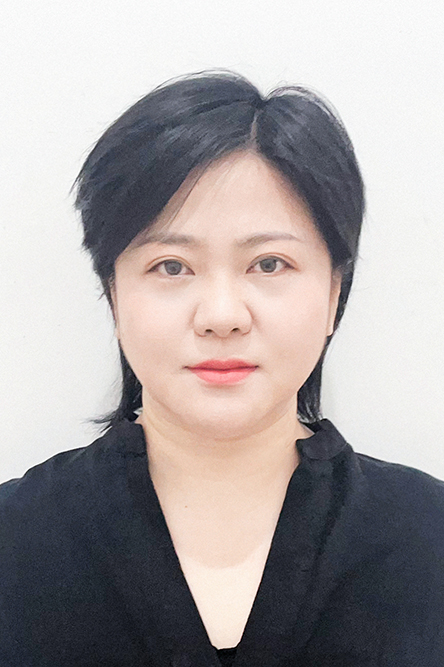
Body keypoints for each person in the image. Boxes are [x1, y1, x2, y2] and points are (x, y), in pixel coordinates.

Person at [1, 70, 443, 667]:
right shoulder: (16, 539)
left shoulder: (428, 536)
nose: (221, 316)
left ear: (334, 292)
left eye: (269, 263)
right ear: (113, 295)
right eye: (171, 266)